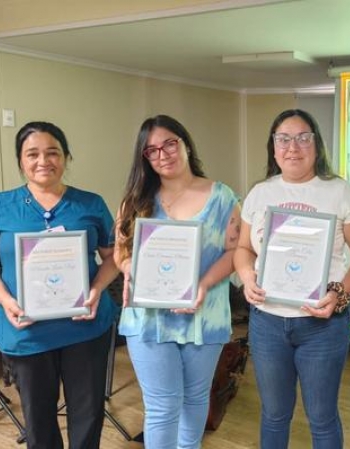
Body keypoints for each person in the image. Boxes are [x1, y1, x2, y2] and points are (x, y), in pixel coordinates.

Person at [0, 121, 118, 448]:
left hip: (85, 328)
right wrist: (6, 300)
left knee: (88, 415)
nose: (43, 161)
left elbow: (113, 257)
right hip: (26, 331)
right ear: (21, 161)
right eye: (32, 154)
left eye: (53, 152)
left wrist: (96, 290)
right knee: (38, 421)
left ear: (66, 157)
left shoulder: (90, 204)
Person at [234, 109, 350, 449]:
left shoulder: (339, 192)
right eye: (284, 139)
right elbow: (243, 248)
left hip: (322, 325)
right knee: (274, 415)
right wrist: (246, 276)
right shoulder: (260, 193)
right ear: (273, 147)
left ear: (316, 145)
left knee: (322, 417)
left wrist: (340, 293)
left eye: (303, 138)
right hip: (267, 322)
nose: (293, 147)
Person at [114, 115, 241, 449]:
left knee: (196, 398)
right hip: (148, 318)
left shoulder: (223, 197)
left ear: (186, 144)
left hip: (205, 313)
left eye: (170, 143)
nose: (163, 154)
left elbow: (235, 251)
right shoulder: (135, 200)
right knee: (162, 406)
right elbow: (121, 252)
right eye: (152, 150)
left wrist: (203, 284)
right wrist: (128, 268)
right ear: (145, 158)